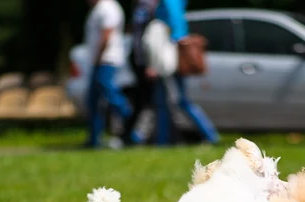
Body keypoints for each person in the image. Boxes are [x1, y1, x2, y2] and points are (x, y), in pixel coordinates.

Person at [150, 0, 219, 146]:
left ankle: (210, 135)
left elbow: (176, 26)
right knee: (166, 100)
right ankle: (162, 140)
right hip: (170, 55)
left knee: (179, 100)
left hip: (170, 56)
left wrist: (174, 45)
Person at [84, 0, 131, 148]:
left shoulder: (108, 7)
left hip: (106, 60)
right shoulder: (98, 8)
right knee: (93, 100)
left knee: (109, 93)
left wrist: (98, 58)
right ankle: (94, 139)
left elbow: (106, 35)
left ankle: (129, 117)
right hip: (99, 60)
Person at [124, 0, 159, 145]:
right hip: (139, 63)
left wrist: (151, 64)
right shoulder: (140, 6)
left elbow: (154, 38)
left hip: (150, 63)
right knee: (142, 101)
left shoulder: (151, 7)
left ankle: (144, 136)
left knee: (150, 102)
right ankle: (135, 136)